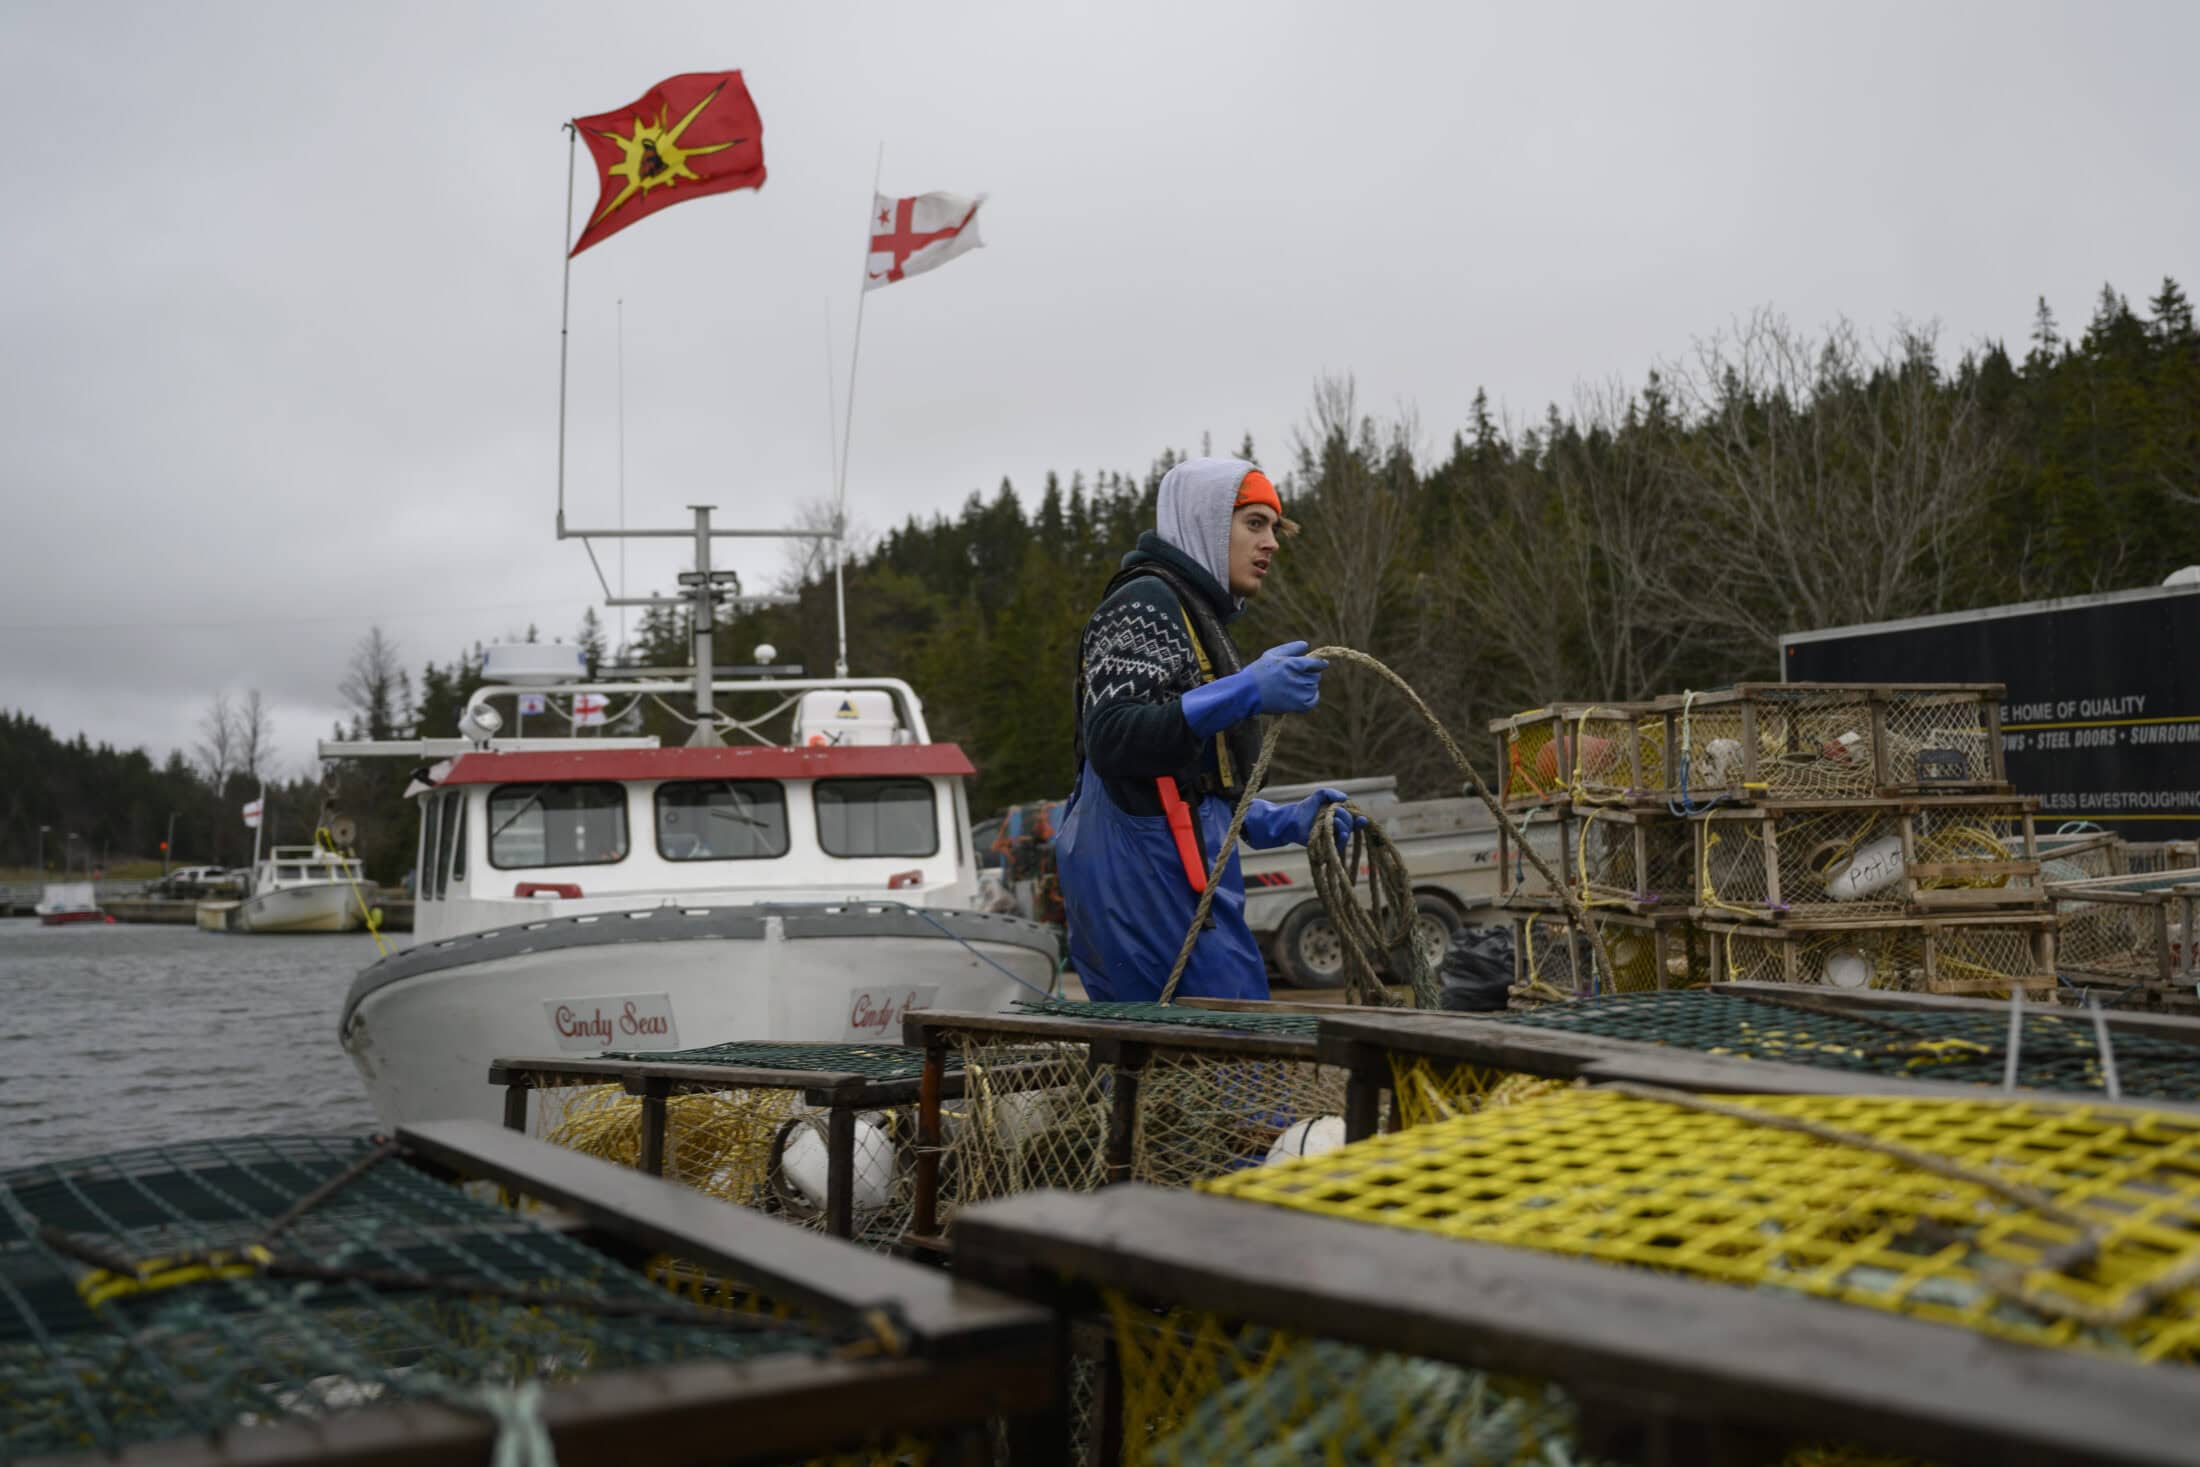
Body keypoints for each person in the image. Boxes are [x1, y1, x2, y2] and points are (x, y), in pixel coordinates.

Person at [1055, 457, 1363, 1001]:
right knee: (1234, 1062)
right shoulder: (1146, 603)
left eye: (1274, 527)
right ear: (1203, 520)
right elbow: (1114, 737)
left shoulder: (1196, 616)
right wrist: (1245, 691)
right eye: (1253, 523)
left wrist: (1283, 820)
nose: (1271, 543)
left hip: (1170, 881)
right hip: (1147, 890)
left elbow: (1187, 786)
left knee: (1171, 1073)